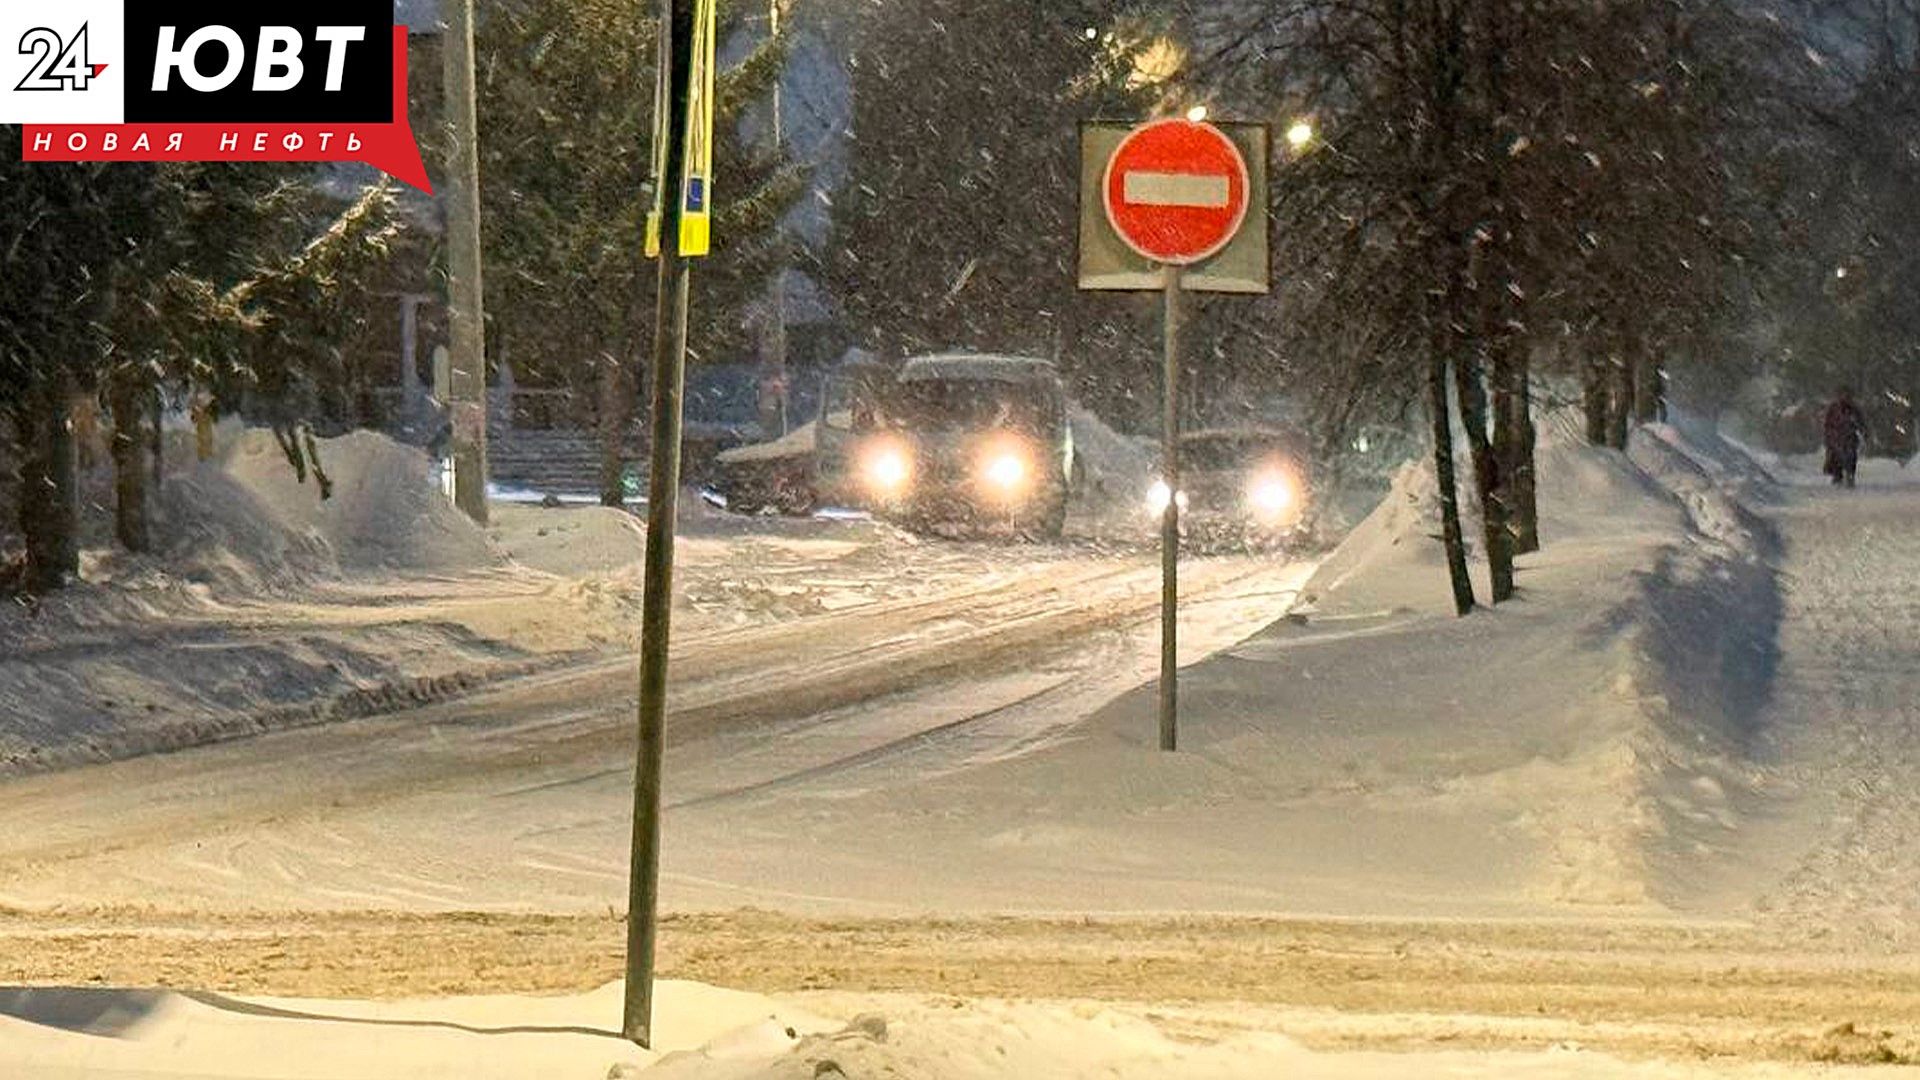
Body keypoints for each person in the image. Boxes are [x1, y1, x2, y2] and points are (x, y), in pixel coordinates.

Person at [1823, 387, 1867, 489]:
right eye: (1843, 395)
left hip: (1849, 438)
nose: (1845, 397)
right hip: (1836, 438)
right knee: (1836, 458)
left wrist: (1863, 431)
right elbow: (1827, 423)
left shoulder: (1854, 409)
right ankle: (1837, 476)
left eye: (1847, 395)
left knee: (1851, 457)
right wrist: (1828, 436)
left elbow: (1861, 423)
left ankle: (1850, 475)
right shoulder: (1833, 408)